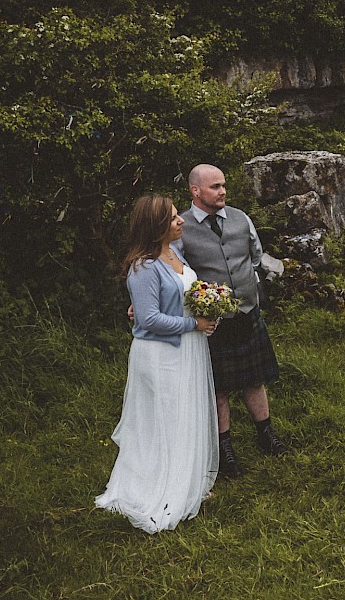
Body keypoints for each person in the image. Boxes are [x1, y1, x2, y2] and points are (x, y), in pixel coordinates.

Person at [96, 194, 220, 533]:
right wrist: (194, 324)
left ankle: (186, 478)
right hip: (161, 353)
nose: (180, 220)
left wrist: (208, 306)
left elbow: (175, 296)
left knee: (183, 414)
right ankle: (157, 487)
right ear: (156, 226)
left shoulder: (174, 252)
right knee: (164, 419)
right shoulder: (143, 267)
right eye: (172, 218)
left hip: (186, 349)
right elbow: (149, 319)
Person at [180, 163, 289, 478]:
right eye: (214, 186)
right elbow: (178, 275)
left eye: (223, 185)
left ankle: (266, 433)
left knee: (255, 378)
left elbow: (255, 256)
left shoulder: (241, 218)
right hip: (213, 322)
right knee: (219, 388)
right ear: (195, 191)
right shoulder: (180, 228)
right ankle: (225, 449)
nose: (222, 191)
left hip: (248, 311)